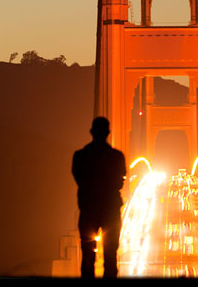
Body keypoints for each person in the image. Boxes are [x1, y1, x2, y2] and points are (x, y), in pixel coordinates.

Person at [71, 116, 126, 278]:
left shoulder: (80, 156)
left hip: (88, 210)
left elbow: (79, 179)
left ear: (91, 132)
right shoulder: (117, 157)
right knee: (110, 257)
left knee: (87, 257)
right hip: (111, 210)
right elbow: (120, 181)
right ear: (108, 133)